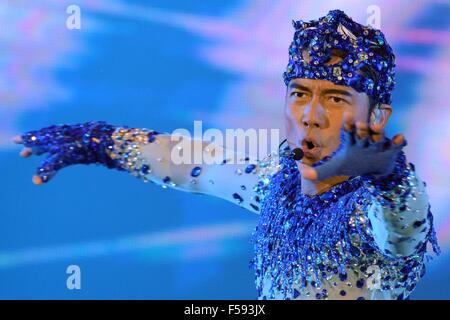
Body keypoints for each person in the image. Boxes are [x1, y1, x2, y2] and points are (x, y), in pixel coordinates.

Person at [14, 9, 439, 300]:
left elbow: (403, 229)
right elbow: (194, 167)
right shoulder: (278, 184)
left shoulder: (373, 210)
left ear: (379, 116)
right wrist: (100, 142)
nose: (311, 115)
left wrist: (389, 174)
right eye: (300, 94)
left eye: (335, 97)